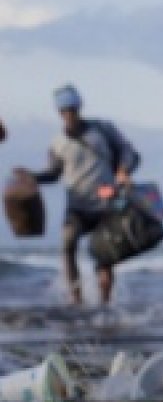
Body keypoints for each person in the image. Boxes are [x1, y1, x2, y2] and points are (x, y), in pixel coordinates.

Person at [13, 85, 139, 307]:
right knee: (67, 244)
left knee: (105, 256)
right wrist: (31, 176)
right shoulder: (57, 143)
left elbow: (128, 151)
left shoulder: (102, 129)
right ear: (59, 113)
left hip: (106, 202)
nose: (70, 114)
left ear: (79, 107)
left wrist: (123, 170)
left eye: (73, 109)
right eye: (65, 110)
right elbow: (53, 174)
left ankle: (105, 304)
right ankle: (76, 301)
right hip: (77, 207)